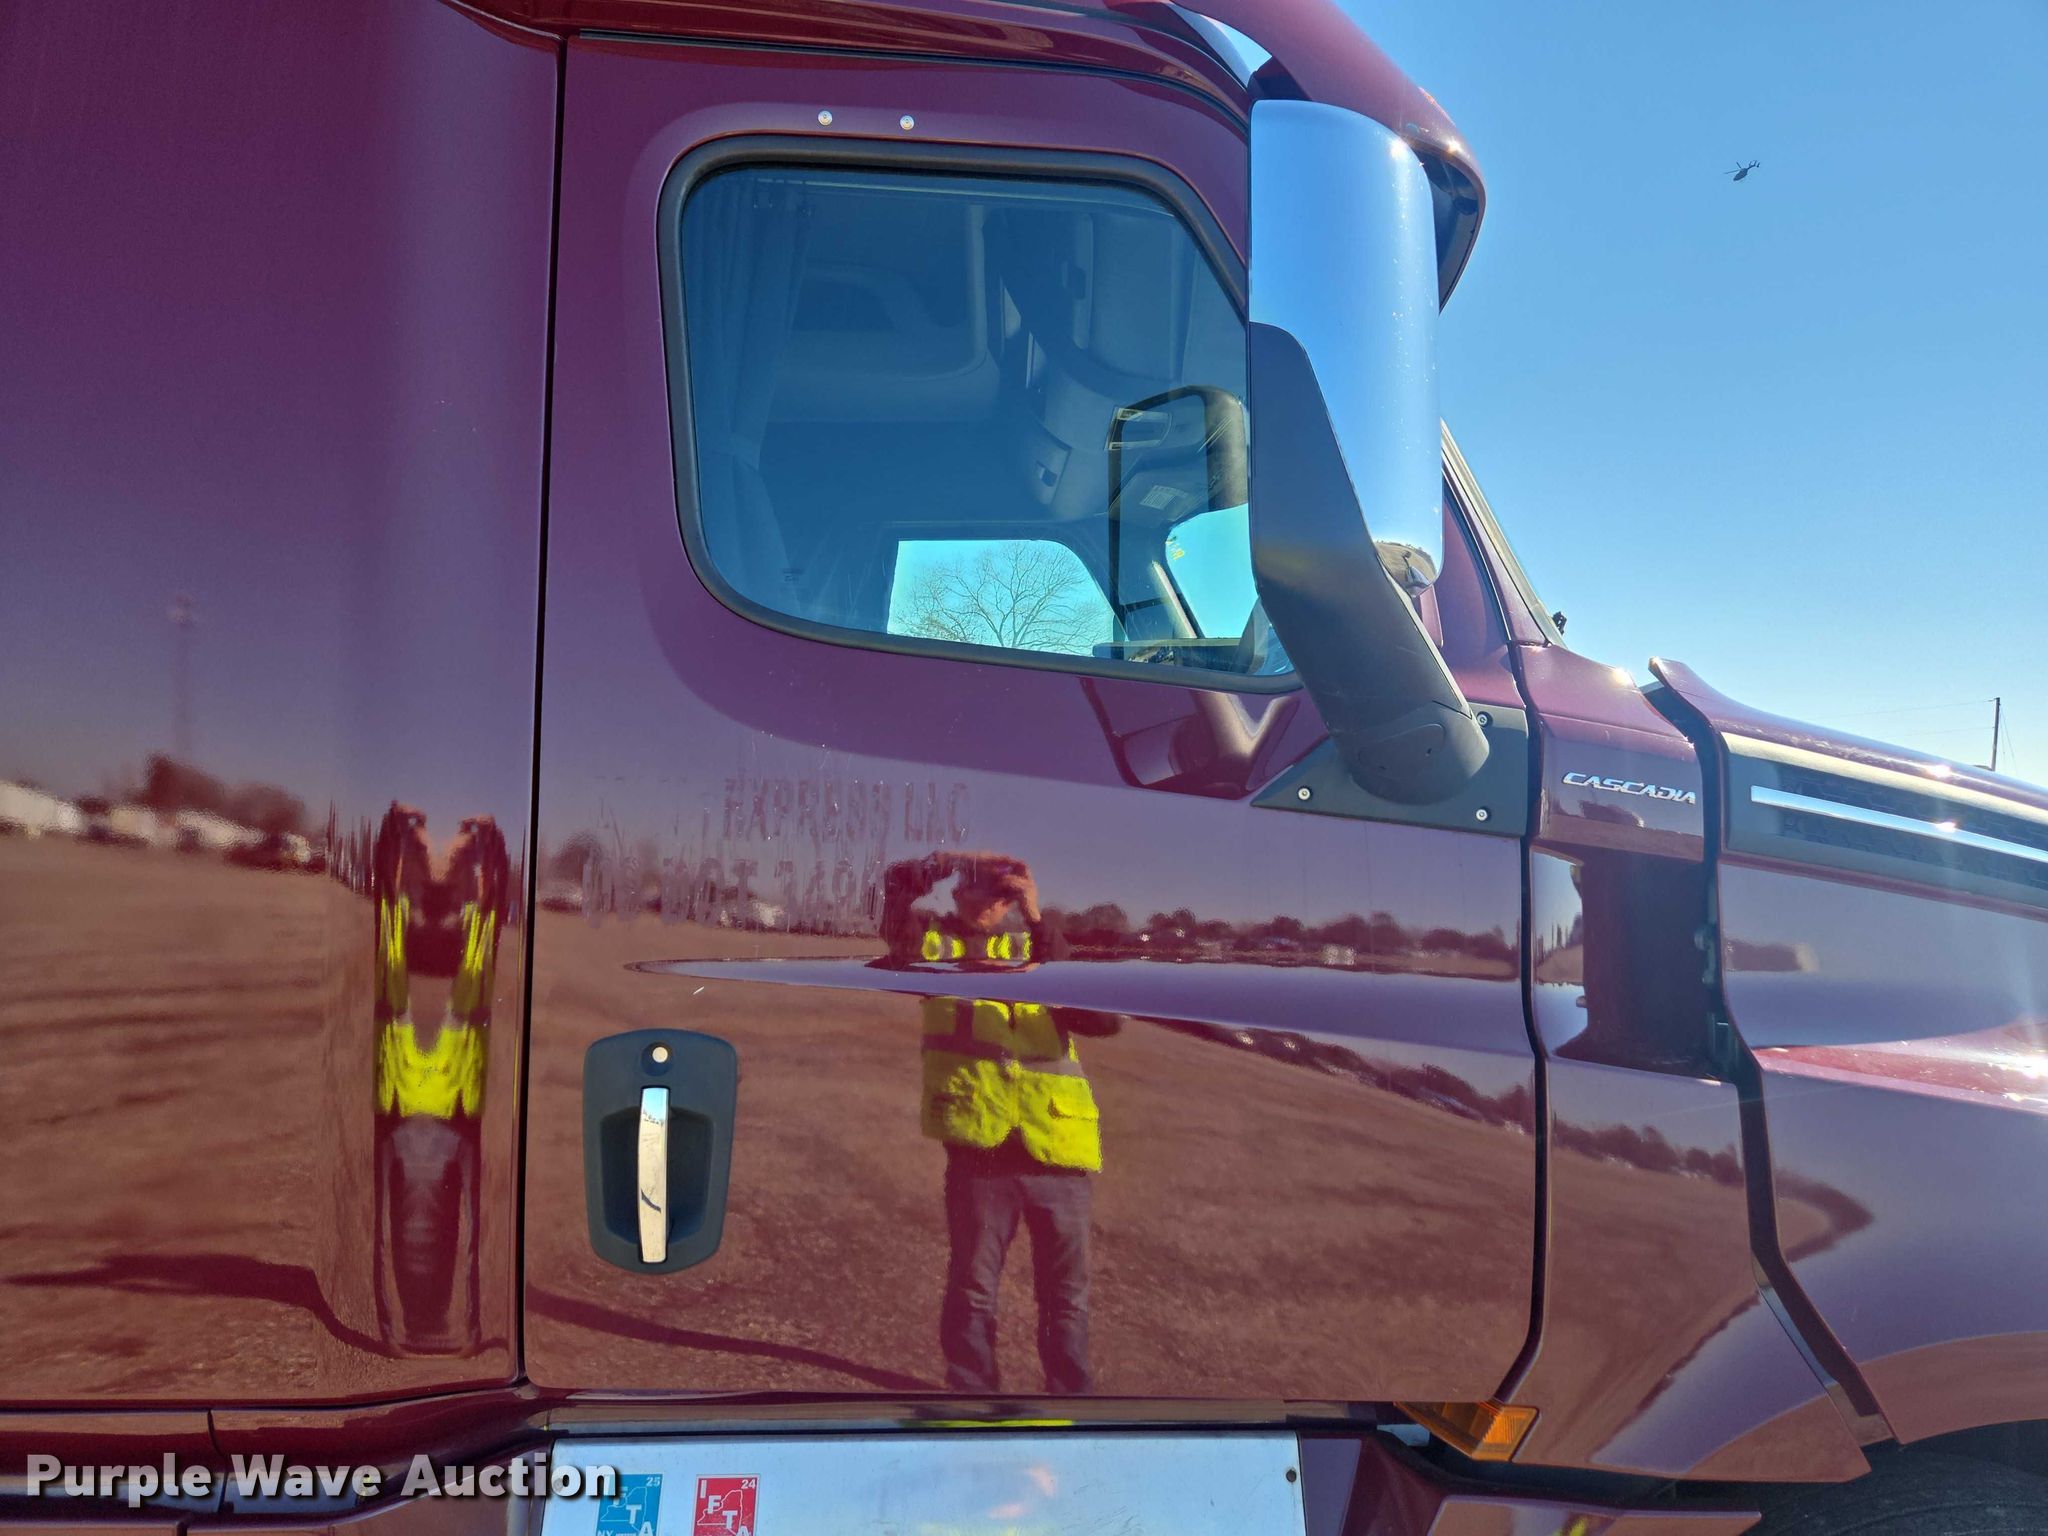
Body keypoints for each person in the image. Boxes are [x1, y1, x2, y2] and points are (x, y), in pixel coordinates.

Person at [876, 851, 1119, 1395]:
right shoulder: (929, 944)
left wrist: (1036, 915)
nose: (992, 901)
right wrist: (946, 860)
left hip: (1058, 1147)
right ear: (958, 890)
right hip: (980, 1149)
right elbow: (891, 892)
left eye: (1004, 893)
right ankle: (973, 1397)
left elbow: (1103, 1019)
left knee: (1067, 1296)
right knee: (973, 1288)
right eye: (980, 887)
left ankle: (1071, 1402)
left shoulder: (1040, 947)